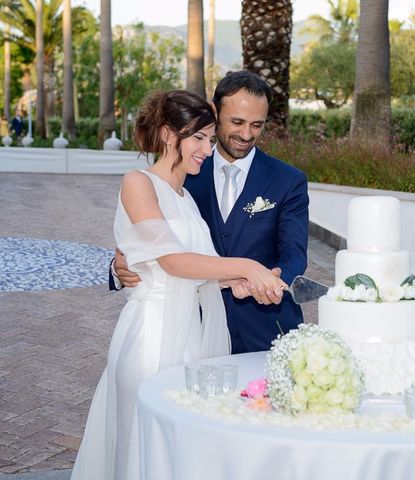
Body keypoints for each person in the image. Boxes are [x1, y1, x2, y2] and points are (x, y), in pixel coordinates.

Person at [72, 90, 286, 480]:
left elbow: (194, 272)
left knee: (179, 456)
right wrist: (247, 266)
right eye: (199, 138)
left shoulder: (185, 197)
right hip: (152, 338)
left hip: (193, 336)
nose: (208, 148)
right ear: (170, 135)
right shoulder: (138, 182)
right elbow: (171, 261)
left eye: (209, 137)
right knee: (145, 451)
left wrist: (238, 282)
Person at [113, 71, 309, 353]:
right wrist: (121, 265)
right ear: (215, 112)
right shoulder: (186, 172)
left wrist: (267, 281)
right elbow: (157, 247)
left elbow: (294, 253)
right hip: (181, 331)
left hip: (263, 330)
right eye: (237, 122)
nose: (246, 134)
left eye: (257, 125)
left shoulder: (287, 180)